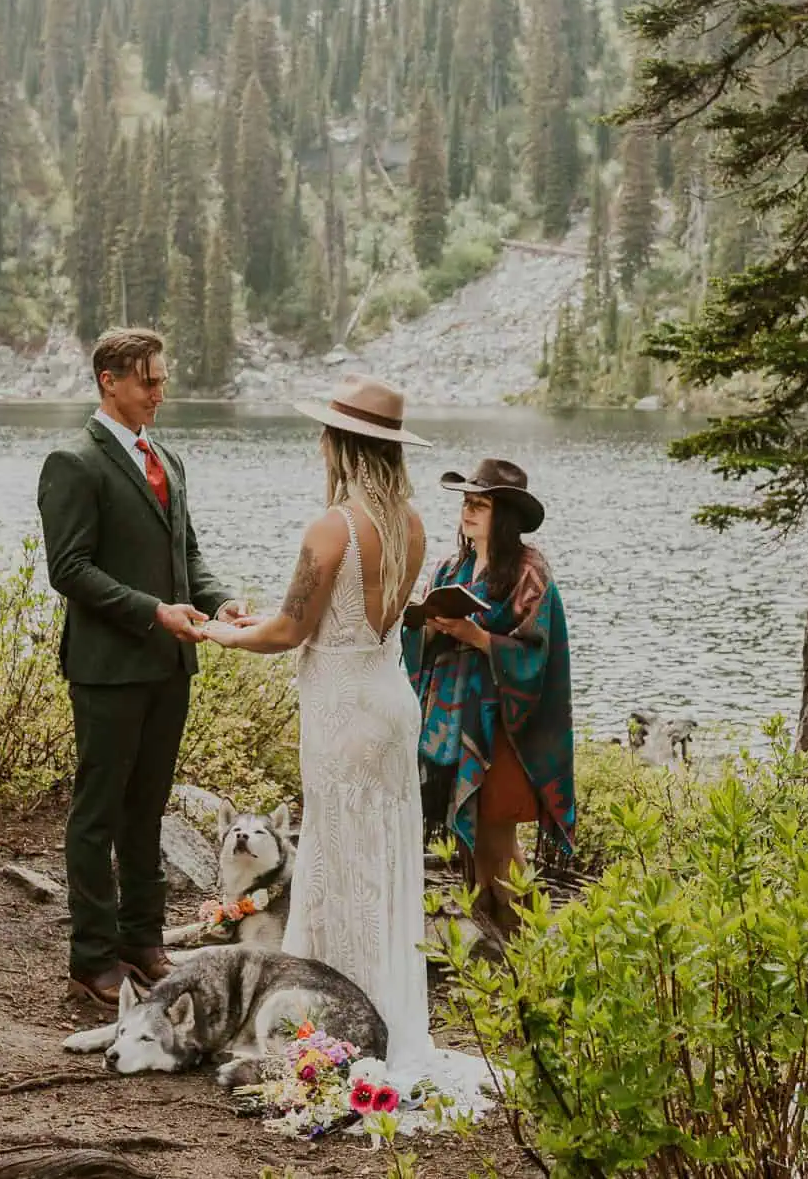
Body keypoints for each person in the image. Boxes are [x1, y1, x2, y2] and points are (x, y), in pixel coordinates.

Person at [201, 376, 489, 1106]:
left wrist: (218, 630)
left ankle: (328, 1026)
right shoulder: (413, 523)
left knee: (335, 857)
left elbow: (293, 631)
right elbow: (348, 616)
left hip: (341, 710)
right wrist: (255, 613)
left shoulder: (331, 525)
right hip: (391, 701)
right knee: (383, 857)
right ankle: (387, 1019)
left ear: (342, 444)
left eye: (327, 431)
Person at [37, 327, 248, 1010]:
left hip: (169, 666)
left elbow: (187, 551)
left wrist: (219, 599)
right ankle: (92, 957)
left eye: (162, 378)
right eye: (148, 380)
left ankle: (143, 940)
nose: (160, 392)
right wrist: (153, 610)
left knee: (148, 809)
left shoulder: (169, 460)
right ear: (109, 380)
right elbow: (68, 569)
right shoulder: (74, 462)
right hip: (106, 668)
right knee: (97, 813)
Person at [406, 458, 574, 936]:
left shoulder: (529, 572)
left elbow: (539, 654)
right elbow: (415, 641)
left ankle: (534, 948)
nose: (469, 511)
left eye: (481, 504)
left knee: (499, 844)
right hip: (452, 724)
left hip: (501, 729)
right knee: (473, 852)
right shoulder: (447, 567)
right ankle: (497, 954)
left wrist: (477, 636)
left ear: (506, 516)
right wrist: (432, 629)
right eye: (467, 502)